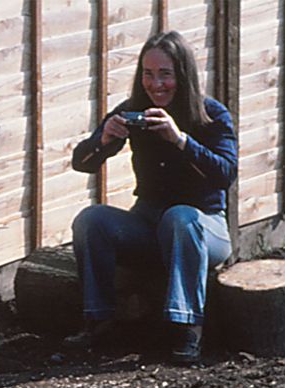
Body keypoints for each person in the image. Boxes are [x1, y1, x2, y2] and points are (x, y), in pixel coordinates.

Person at [67, 30, 237, 363]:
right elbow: (81, 164)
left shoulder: (211, 115)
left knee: (180, 217)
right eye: (148, 73)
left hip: (204, 227)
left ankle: (188, 329)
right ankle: (99, 320)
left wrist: (181, 140)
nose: (155, 83)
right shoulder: (134, 111)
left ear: (183, 75)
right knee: (92, 220)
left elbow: (225, 174)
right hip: (147, 222)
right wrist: (104, 139)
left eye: (165, 74)